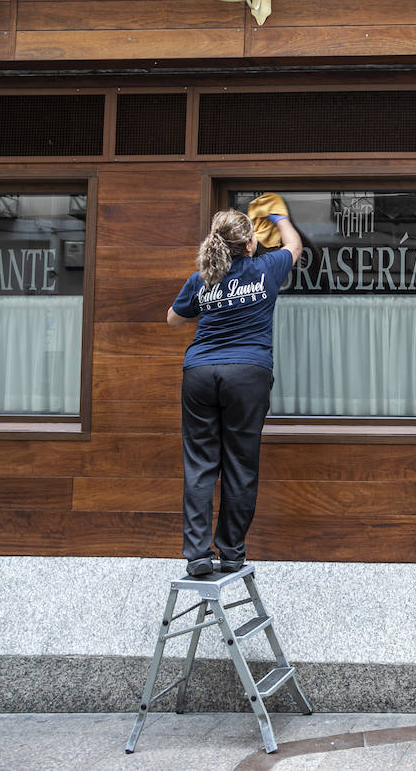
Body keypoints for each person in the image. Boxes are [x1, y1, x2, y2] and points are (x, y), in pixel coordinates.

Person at [167, 200, 302, 577]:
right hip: (247, 374)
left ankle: (196, 555)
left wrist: (209, 301)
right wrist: (279, 216)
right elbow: (294, 246)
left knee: (200, 464)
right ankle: (230, 553)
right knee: (240, 464)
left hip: (200, 373)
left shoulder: (202, 279)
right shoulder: (266, 269)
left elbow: (173, 320)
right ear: (249, 245)